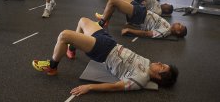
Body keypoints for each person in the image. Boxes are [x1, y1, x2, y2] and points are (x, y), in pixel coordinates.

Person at [32, 17, 179, 95]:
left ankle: (52, 67)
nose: (159, 62)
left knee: (64, 35)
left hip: (103, 52)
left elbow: (115, 87)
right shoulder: (148, 63)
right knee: (83, 20)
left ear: (159, 77)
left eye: (162, 66)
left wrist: (89, 87)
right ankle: (72, 49)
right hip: (110, 42)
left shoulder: (140, 79)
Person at [96, 0, 187, 38]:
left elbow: (147, 34)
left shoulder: (165, 32)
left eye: (180, 26)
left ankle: (101, 23)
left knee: (113, 1)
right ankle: (106, 18)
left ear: (178, 32)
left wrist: (129, 30)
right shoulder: (168, 26)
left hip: (140, 16)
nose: (178, 23)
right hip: (142, 10)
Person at [105, 0, 173, 16]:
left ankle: (104, 18)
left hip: (139, 4)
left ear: (166, 10)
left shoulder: (158, 11)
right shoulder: (159, 6)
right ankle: (106, 14)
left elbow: (147, 12)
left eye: (167, 5)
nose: (166, 3)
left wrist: (143, 4)